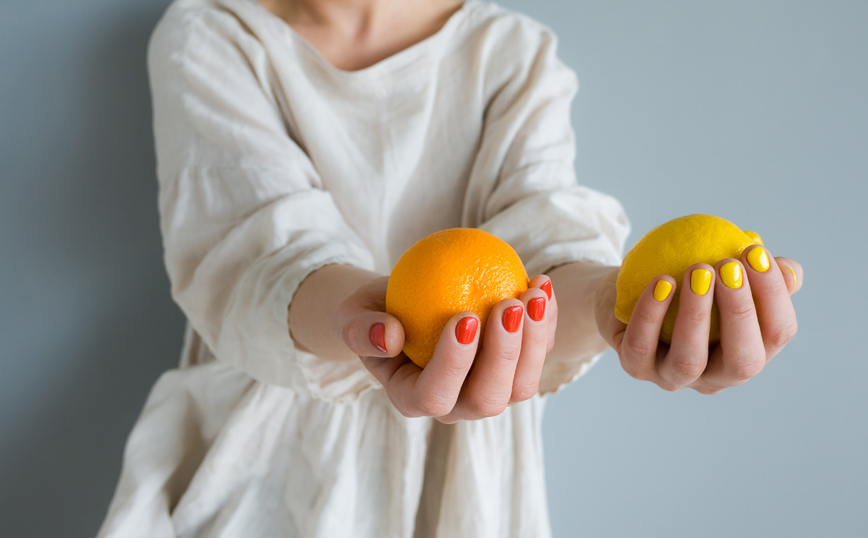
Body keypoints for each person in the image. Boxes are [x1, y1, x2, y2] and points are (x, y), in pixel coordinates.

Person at [98, 0, 802, 536]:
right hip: (266, 470)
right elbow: (255, 259)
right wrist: (369, 320)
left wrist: (616, 309)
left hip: (466, 490)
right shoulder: (214, 34)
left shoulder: (512, 56)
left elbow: (547, 248)